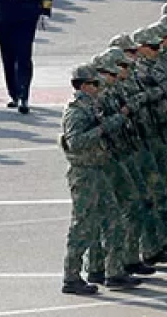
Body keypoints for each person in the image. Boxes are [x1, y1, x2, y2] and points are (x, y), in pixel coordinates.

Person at [59, 63, 128, 297]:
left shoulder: (91, 106)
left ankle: (113, 271)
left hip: (98, 170)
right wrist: (106, 126)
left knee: (114, 219)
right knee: (83, 225)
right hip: (85, 173)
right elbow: (76, 141)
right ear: (84, 86)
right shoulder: (76, 112)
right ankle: (71, 276)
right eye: (95, 84)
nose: (99, 88)